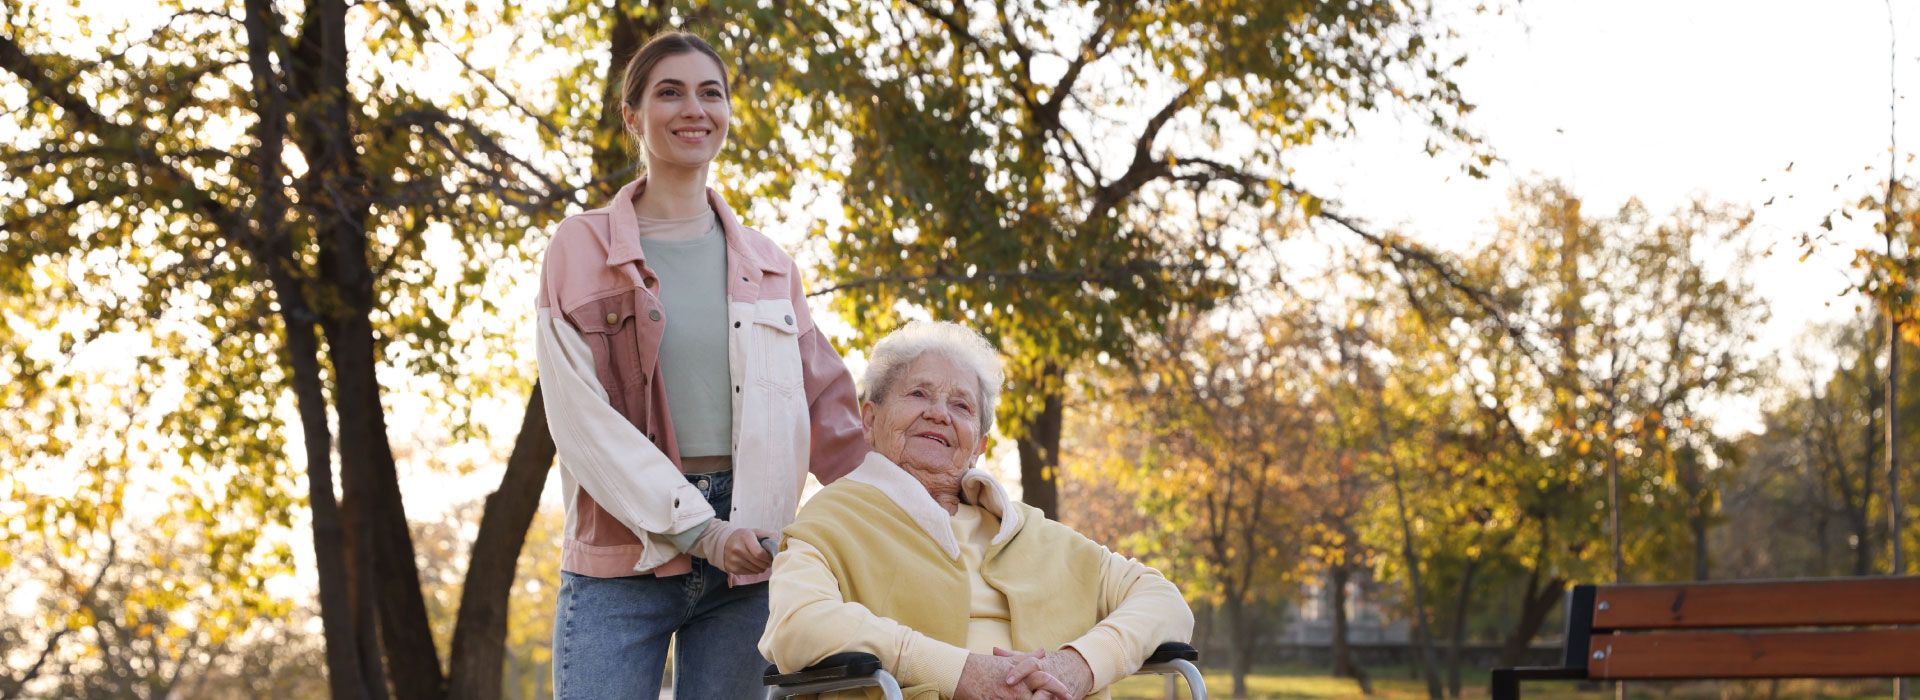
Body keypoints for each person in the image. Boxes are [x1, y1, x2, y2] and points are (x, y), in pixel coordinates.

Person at [533, 31, 866, 699]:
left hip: (751, 557)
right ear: (632, 117)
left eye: (710, 93)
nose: (694, 108)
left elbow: (832, 409)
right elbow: (582, 424)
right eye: (670, 92)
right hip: (622, 559)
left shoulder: (770, 264)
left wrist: (926, 494)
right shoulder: (579, 248)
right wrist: (700, 531)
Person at [760, 321, 1193, 700]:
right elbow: (797, 623)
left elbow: (1164, 602)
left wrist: (1077, 666)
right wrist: (958, 672)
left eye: (961, 406)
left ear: (979, 445)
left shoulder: (1031, 532)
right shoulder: (832, 519)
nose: (938, 414)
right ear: (870, 421)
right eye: (918, 393)